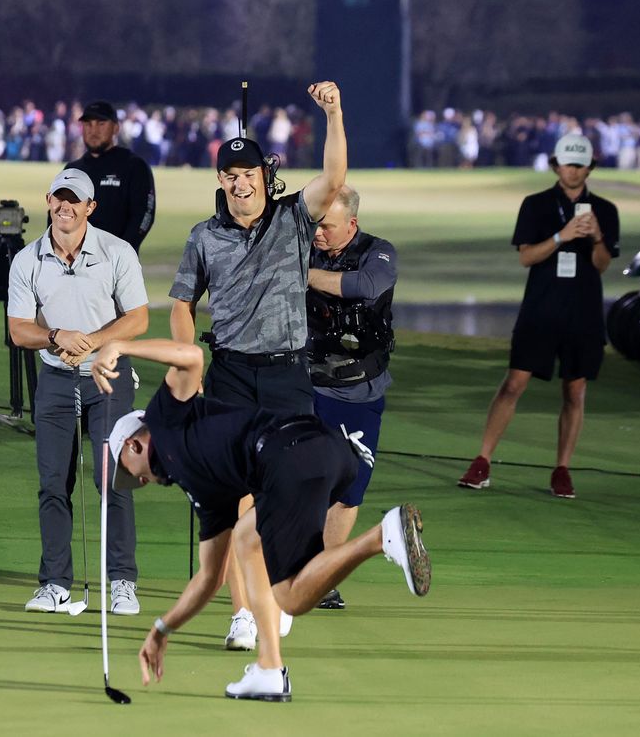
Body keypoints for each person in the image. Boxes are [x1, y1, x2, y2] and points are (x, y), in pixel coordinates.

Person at [88, 337, 430, 701]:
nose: (140, 483)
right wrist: (161, 629)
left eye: (131, 474)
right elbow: (209, 578)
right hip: (322, 449)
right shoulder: (205, 491)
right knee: (247, 538)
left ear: (133, 445)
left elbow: (191, 356)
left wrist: (119, 346)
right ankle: (269, 668)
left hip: (289, 459)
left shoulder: (165, 417)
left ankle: (381, 535)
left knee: (292, 597)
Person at [169, 81, 347, 654]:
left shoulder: (294, 218)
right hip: (230, 375)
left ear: (264, 179)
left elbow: (335, 178)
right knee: (239, 492)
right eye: (231, 176)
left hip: (287, 372)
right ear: (221, 181)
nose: (241, 184)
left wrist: (334, 114)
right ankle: (246, 614)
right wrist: (187, 362)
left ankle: (283, 582)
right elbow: (180, 302)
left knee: (287, 486)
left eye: (249, 174)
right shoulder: (205, 236)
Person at [8, 168, 149, 616]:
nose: (64, 207)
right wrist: (55, 339)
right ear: (48, 201)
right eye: (58, 198)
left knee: (113, 478)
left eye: (75, 200)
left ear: (91, 207)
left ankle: (122, 582)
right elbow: (18, 330)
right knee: (52, 483)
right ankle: (54, 584)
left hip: (108, 374)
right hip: (54, 378)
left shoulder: (117, 252)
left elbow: (138, 318)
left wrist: (89, 341)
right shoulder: (27, 259)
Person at [458, 133, 619, 499]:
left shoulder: (605, 211)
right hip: (541, 308)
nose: (573, 170)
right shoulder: (536, 205)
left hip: (584, 310)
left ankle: (562, 468)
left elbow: (603, 265)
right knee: (515, 382)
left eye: (580, 164)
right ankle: (482, 460)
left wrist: (596, 237)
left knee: (575, 390)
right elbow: (527, 257)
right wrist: (562, 237)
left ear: (590, 167)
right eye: (567, 163)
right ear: (554, 164)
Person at [305, 185, 398, 610]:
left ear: (352, 224)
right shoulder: (302, 243)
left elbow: (366, 285)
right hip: (305, 384)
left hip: (359, 390)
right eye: (316, 224)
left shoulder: (378, 252)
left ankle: (322, 575)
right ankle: (299, 570)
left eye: (327, 226)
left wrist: (302, 274)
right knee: (303, 480)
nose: (318, 234)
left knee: (349, 489)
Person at [63, 100, 156, 251]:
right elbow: (56, 216)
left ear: (116, 128)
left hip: (117, 266)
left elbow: (145, 214)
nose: (93, 130)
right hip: (74, 266)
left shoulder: (134, 166)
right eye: (88, 124)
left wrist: (121, 253)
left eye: (101, 124)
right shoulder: (72, 170)